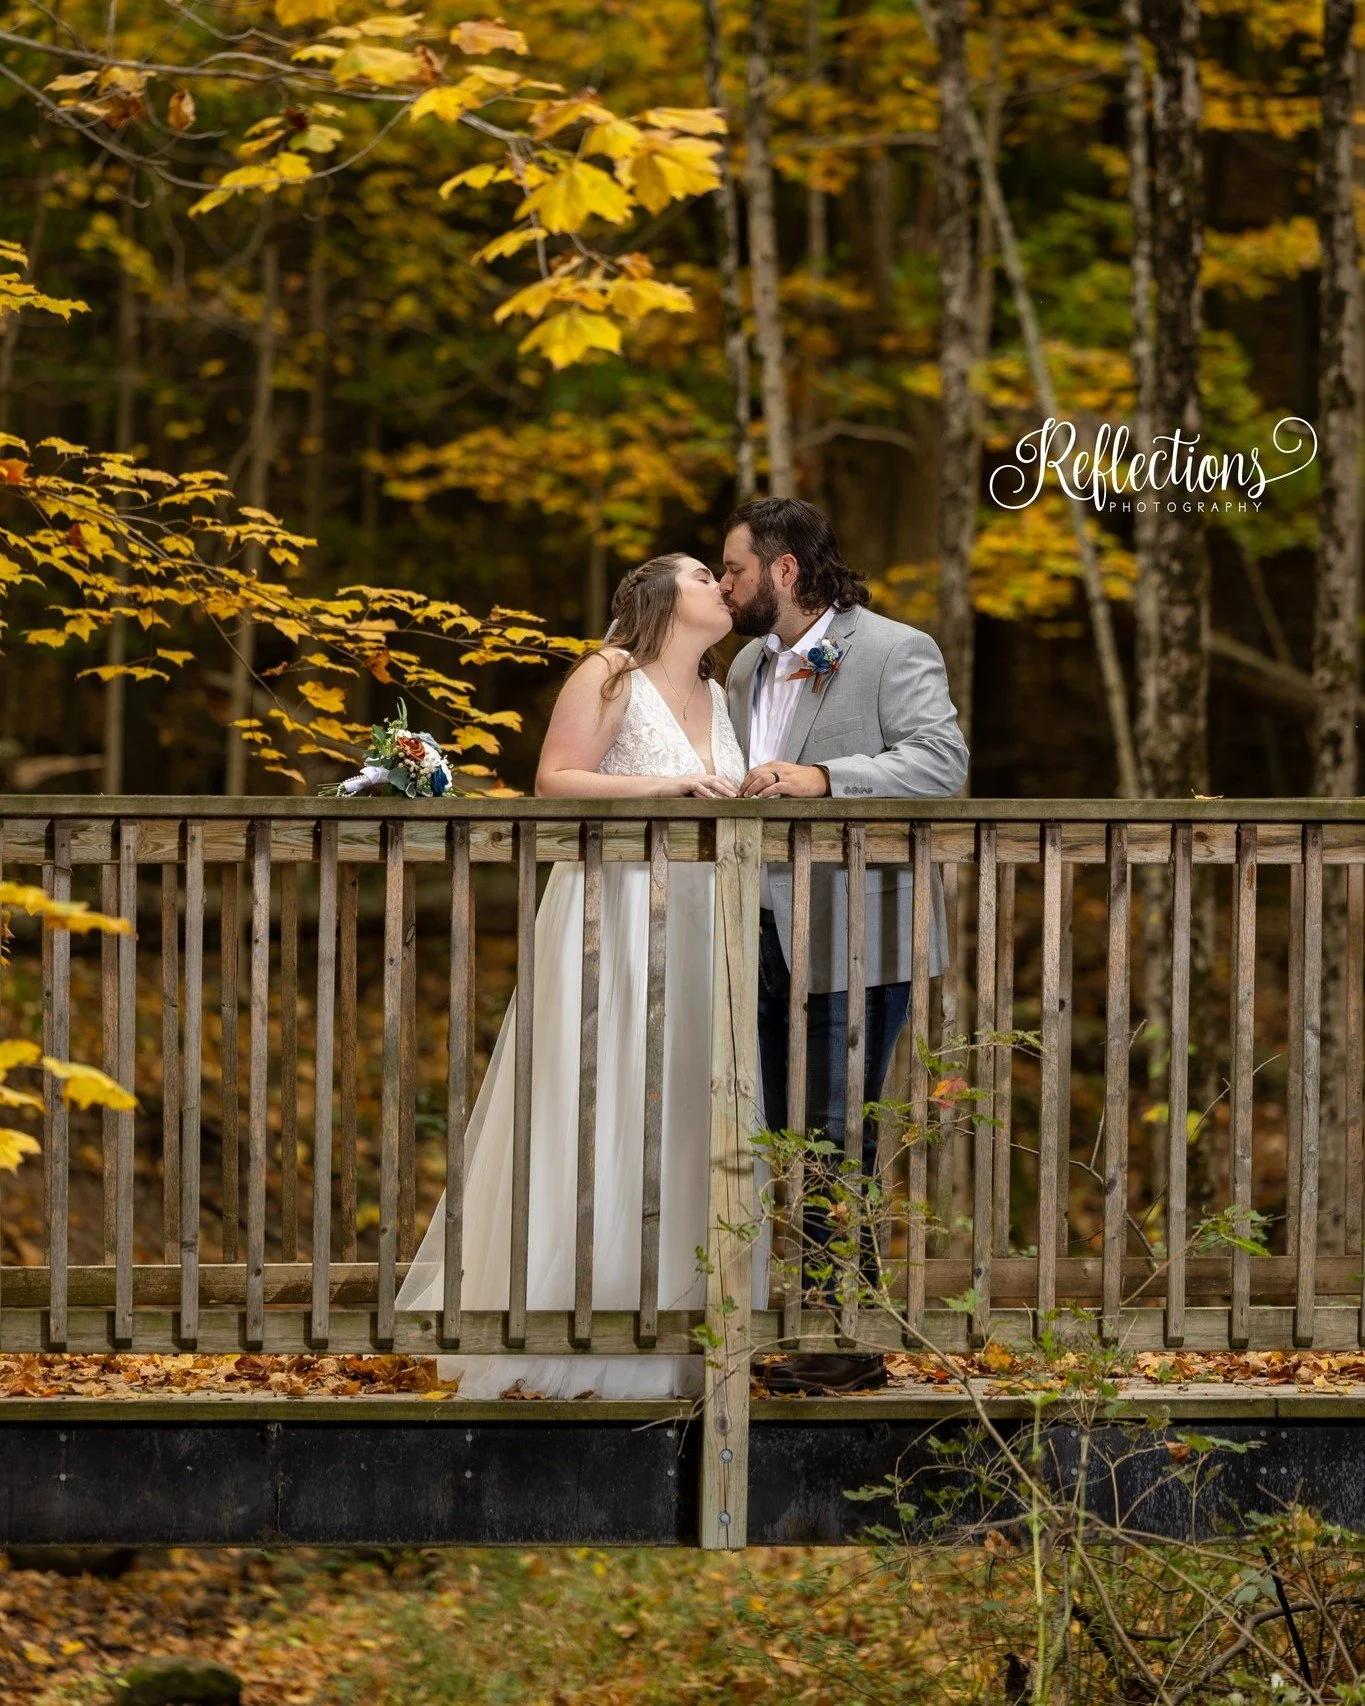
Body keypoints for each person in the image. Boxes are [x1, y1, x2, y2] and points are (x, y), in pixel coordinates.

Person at [395, 552, 770, 1399]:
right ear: (658, 596)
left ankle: (680, 1327)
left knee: (685, 1104)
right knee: (600, 1095)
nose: (720, 584)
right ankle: (573, 1327)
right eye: (703, 574)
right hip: (616, 907)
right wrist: (667, 782)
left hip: (704, 910)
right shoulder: (609, 671)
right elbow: (554, 779)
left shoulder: (717, 694)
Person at [718, 497, 969, 1394]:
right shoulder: (746, 662)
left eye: (734, 569)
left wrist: (821, 778)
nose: (724, 585)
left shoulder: (893, 648)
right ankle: (797, 1320)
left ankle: (845, 1339)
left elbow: (941, 765)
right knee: (778, 1135)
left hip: (858, 929)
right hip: (758, 928)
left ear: (783, 571)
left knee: (836, 1134)